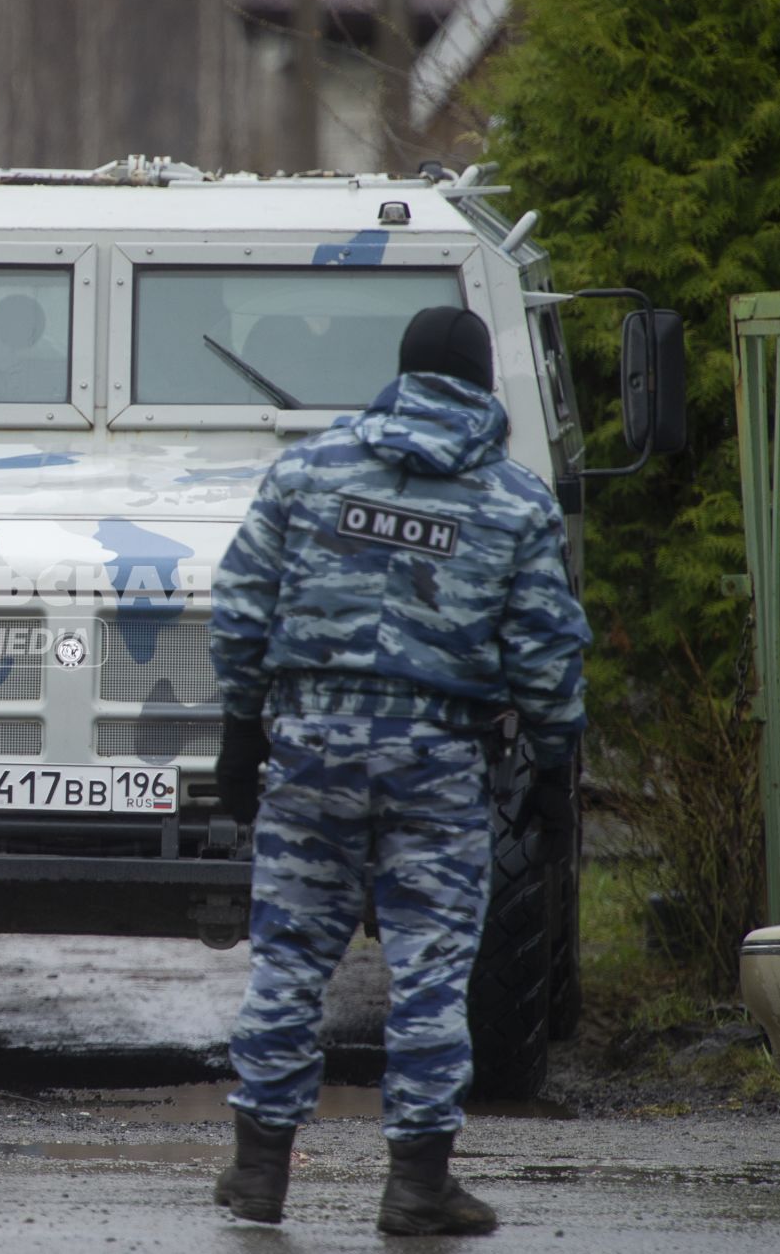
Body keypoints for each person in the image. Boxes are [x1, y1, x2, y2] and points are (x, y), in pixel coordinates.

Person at [207, 307, 590, 1235]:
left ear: (405, 372)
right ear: (482, 383)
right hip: (438, 763)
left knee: (289, 962)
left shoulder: (311, 467)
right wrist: (551, 765)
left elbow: (242, 597)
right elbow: (546, 650)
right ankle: (417, 1184)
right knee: (429, 974)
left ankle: (260, 1173)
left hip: (311, 751)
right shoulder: (514, 499)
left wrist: (239, 728)